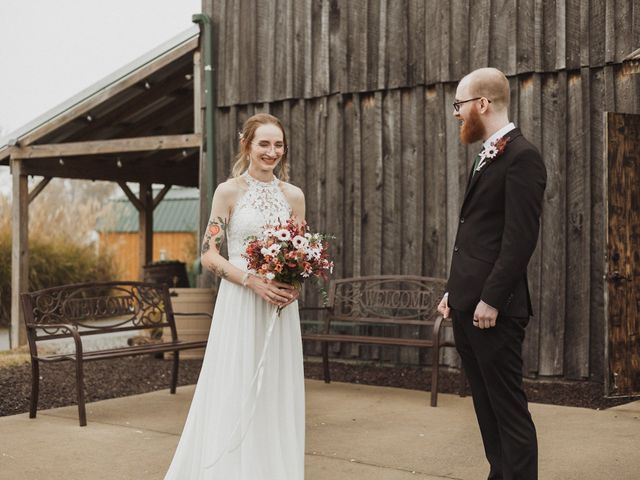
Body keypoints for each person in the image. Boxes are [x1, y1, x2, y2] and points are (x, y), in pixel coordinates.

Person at [165, 113, 306, 479]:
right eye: (264, 143)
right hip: (241, 300)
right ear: (247, 145)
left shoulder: (294, 196)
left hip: (279, 306)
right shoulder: (228, 191)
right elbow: (209, 253)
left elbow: (302, 252)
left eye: (278, 144)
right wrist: (251, 281)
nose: (271, 151)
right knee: (234, 380)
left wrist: (294, 285)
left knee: (275, 387)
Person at [437, 68, 546, 480]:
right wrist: (454, 291)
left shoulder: (522, 157)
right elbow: (476, 237)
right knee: (485, 407)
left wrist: (491, 299)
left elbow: (519, 239)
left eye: (458, 105)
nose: (455, 114)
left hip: (493, 311)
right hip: (469, 305)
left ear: (482, 104)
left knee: (508, 410)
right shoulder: (487, 154)